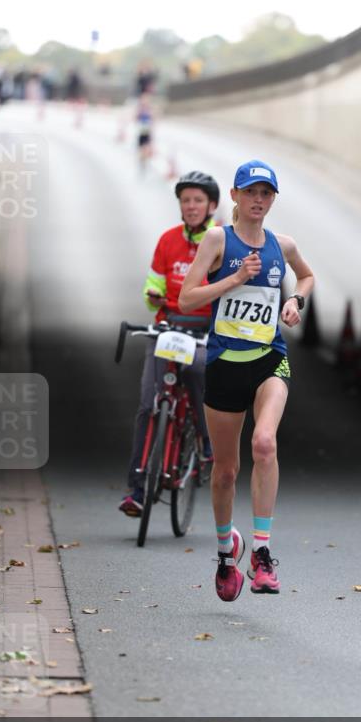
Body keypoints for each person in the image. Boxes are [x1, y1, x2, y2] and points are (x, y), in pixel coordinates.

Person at [179, 160, 314, 600]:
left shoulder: (282, 244)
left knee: (264, 444)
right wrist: (234, 279)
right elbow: (188, 296)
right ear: (234, 196)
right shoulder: (219, 239)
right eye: (251, 192)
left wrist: (294, 301)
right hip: (224, 364)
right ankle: (225, 552)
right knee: (224, 471)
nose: (259, 200)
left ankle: (261, 553)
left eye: (267, 194)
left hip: (268, 360)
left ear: (273, 200)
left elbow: (308, 276)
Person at [119, 172, 221, 518]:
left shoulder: (221, 240)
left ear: (212, 206)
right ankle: (136, 488)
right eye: (185, 200)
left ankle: (206, 443)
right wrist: (153, 295)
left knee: (196, 373)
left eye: (197, 200)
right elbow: (153, 288)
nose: (191, 206)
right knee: (149, 403)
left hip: (204, 329)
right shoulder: (167, 241)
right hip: (169, 326)